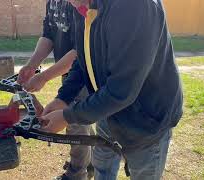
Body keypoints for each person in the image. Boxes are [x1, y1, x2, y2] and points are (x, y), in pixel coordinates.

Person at [40, 0, 184, 179]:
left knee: (142, 173)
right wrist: (63, 98)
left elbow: (121, 90)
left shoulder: (135, 6)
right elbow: (83, 58)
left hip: (146, 119)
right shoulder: (83, 5)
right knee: (103, 167)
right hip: (107, 111)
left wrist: (67, 116)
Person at [17, 1, 93, 180]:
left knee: (76, 124)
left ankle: (77, 174)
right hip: (68, 71)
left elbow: (80, 51)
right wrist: (31, 65)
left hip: (84, 71)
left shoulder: (79, 3)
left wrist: (43, 77)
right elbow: (49, 34)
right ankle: (89, 165)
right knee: (81, 122)